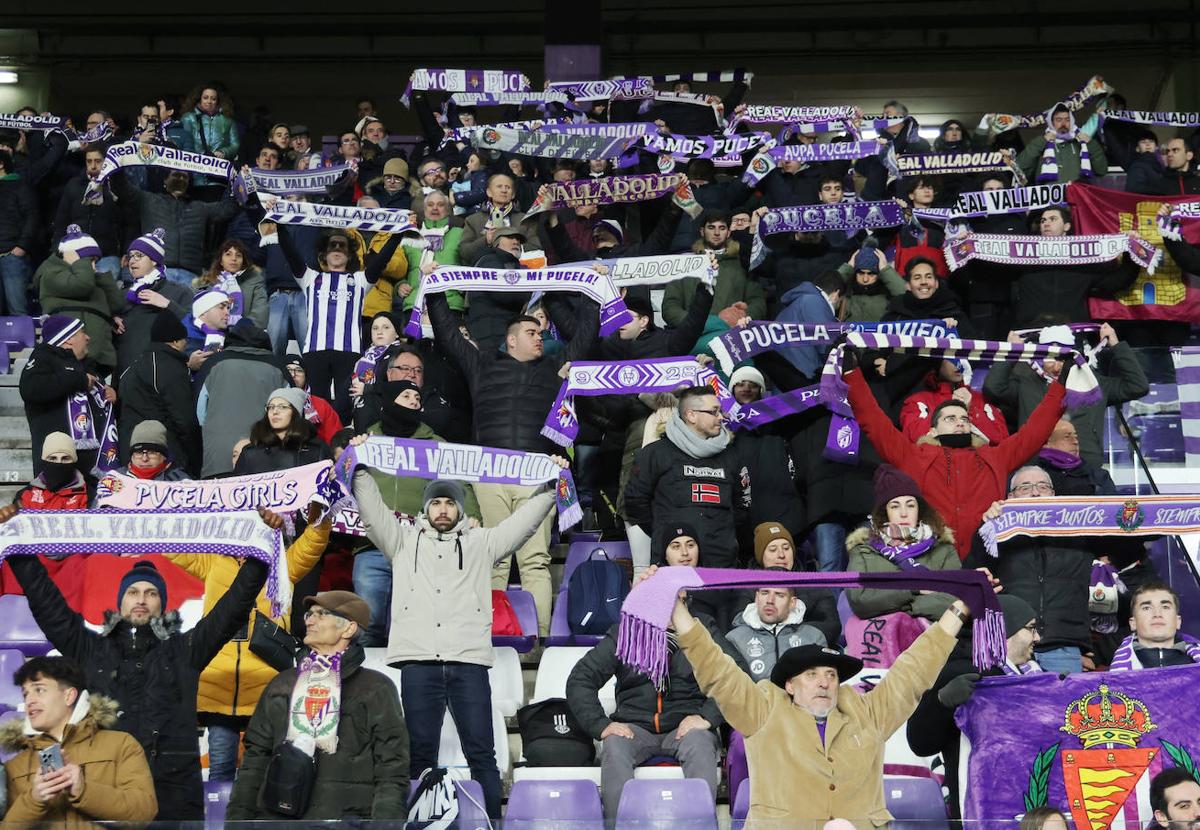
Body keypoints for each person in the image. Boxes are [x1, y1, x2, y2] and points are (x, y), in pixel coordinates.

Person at [0, 505, 273, 820]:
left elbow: (234, 606)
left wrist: (261, 549)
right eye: (132, 591)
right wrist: (18, 547)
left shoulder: (187, 649)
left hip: (175, 797)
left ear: (162, 604)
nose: (141, 598)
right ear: (121, 601)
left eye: (151, 593)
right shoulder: (90, 649)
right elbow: (46, 602)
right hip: (108, 793)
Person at [664, 563, 970, 825]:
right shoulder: (763, 710)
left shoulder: (868, 713)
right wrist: (678, 612)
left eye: (831, 675)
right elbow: (717, 670)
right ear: (790, 686)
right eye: (811, 675)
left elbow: (913, 672)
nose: (824, 683)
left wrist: (958, 610)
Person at [350, 464, 563, 818]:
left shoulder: (482, 542)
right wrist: (359, 470)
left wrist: (550, 487)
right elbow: (372, 512)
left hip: (469, 664)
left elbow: (522, 525)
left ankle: (491, 824)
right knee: (419, 756)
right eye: (436, 503)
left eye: (450, 502)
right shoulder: (401, 539)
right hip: (419, 664)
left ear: (461, 509)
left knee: (482, 755)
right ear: (425, 508)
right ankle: (420, 824)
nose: (443, 509)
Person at [427, 280, 598, 637]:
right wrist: (434, 286)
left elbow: (586, 336)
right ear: (511, 339)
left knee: (535, 562)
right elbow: (446, 334)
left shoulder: (556, 367)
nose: (540, 336)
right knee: (493, 559)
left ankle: (540, 639)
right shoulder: (481, 364)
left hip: (537, 475)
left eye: (541, 331)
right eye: (531, 331)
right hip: (490, 472)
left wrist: (593, 293)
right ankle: (490, 637)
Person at [166, 504, 330, 782]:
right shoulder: (214, 562)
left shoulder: (283, 564)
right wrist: (156, 500)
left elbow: (314, 541)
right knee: (219, 775)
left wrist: (320, 511)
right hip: (218, 684)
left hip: (266, 685)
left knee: (262, 775)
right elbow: (173, 541)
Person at [845, 355, 1068, 559]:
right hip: (931, 560)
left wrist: (1060, 387)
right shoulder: (913, 456)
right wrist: (852, 376)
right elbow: (874, 423)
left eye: (964, 418)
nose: (960, 421)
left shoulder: (995, 456)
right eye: (950, 419)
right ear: (932, 430)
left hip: (986, 561)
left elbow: (1036, 431)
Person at [566, 567, 743, 820]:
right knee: (614, 746)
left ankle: (701, 825)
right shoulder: (625, 633)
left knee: (701, 743)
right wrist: (601, 725)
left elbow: (735, 676)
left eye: (673, 601)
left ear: (684, 600)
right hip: (635, 727)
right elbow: (580, 679)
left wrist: (707, 717)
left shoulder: (702, 629)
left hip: (686, 726)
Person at [227, 591, 410, 821]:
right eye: (309, 614)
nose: (309, 620)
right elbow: (254, 763)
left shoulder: (375, 688)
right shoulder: (282, 684)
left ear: (348, 629)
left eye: (321, 614)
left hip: (344, 824)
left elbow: (392, 769)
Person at [350, 379, 481, 646]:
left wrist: (472, 514)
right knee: (369, 623)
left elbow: (460, 483)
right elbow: (342, 483)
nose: (414, 401)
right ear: (388, 401)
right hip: (371, 547)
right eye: (406, 396)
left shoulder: (435, 444)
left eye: (417, 398)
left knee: (412, 621)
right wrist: (351, 456)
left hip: (420, 547)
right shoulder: (367, 442)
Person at [906, 594, 1043, 819]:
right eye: (1030, 628)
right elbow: (920, 742)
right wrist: (941, 702)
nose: (1037, 637)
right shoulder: (960, 672)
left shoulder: (1036, 676)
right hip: (975, 808)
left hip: (1028, 803)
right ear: (1005, 630)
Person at [1, 656, 158, 825]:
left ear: (69, 696)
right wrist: (34, 800)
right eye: (25, 694)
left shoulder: (121, 745)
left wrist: (83, 791)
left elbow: (144, 812)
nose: (29, 701)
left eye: (39, 690)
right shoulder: (14, 766)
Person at [973, 466, 1092, 674]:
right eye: (1025, 487)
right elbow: (975, 574)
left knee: (1061, 706)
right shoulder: (995, 530)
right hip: (1010, 644)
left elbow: (1129, 545)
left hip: (1062, 648)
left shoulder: (1080, 531)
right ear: (1010, 497)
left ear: (1053, 494)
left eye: (1043, 487)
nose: (1035, 492)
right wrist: (988, 526)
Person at [984, 324, 1148, 469]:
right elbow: (993, 389)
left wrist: (1116, 345)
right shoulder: (1026, 383)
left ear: (1074, 356)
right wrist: (1010, 350)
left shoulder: (1093, 383)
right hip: (1037, 470)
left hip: (1086, 469)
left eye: (1063, 358)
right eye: (1049, 357)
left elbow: (1137, 386)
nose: (1056, 364)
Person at [624, 386, 746, 572]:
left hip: (722, 565)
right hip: (670, 566)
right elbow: (635, 503)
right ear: (691, 415)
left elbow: (742, 505)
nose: (721, 417)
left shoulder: (732, 455)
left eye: (719, 411)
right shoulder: (655, 453)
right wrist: (663, 530)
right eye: (714, 412)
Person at [845, 465, 962, 622]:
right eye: (895, 506)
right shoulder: (864, 550)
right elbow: (860, 601)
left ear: (919, 509)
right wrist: (914, 587)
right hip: (884, 641)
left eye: (910, 505)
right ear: (884, 512)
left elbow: (954, 600)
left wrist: (903, 609)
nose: (904, 513)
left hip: (934, 639)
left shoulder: (943, 548)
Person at [19, 314, 112, 479]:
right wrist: (78, 379)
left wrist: (109, 395)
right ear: (68, 339)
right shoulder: (43, 358)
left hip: (93, 464)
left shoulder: (87, 366)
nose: (88, 338)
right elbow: (31, 389)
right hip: (58, 464)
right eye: (82, 332)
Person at [196, 319, 292, 478]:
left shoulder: (213, 363)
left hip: (218, 459)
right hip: (267, 460)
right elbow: (294, 412)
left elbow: (200, 414)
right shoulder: (278, 367)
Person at [662, 209, 766, 354]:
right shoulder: (685, 265)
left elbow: (758, 302)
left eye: (722, 228)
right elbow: (670, 307)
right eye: (711, 227)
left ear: (729, 232)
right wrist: (702, 323)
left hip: (734, 336)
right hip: (691, 338)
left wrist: (744, 316)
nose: (717, 233)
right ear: (702, 231)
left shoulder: (742, 263)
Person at [33, 225, 127, 376]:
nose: (93, 266)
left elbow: (117, 304)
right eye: (90, 260)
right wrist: (80, 262)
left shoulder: (89, 278)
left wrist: (100, 276)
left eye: (96, 261)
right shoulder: (50, 273)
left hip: (98, 357)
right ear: (72, 256)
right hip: (67, 355)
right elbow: (81, 286)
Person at [118, 311, 201, 475]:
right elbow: (184, 419)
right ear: (176, 341)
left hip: (131, 452)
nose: (186, 345)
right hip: (162, 454)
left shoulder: (134, 365)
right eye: (185, 340)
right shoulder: (170, 367)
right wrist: (195, 459)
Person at [114, 227, 194, 376]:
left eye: (139, 255)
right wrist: (112, 321)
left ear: (154, 261)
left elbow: (195, 327)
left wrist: (168, 304)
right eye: (130, 256)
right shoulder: (123, 294)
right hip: (125, 373)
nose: (132, 260)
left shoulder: (179, 291)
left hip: (162, 374)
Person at [727, 574, 827, 683]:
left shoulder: (814, 637)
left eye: (779, 595)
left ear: (792, 603)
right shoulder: (734, 639)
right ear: (756, 598)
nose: (770, 600)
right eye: (765, 593)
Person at [900, 360, 1009, 446]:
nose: (959, 363)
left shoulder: (982, 399)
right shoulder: (918, 400)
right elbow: (913, 437)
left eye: (963, 356)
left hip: (977, 467)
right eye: (952, 357)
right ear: (938, 362)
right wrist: (949, 409)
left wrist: (971, 411)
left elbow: (1002, 440)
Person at [233, 386, 334, 475]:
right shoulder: (251, 453)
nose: (275, 412)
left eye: (282, 407)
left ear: (295, 413)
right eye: (271, 407)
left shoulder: (316, 450)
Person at [1110, 583, 1200, 670]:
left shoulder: (1195, 663)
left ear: (1178, 622)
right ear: (1133, 623)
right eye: (1146, 608)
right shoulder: (1111, 679)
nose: (1157, 614)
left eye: (1165, 607)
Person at [773, 270, 843, 379]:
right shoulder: (815, 302)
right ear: (836, 294)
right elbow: (827, 349)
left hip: (782, 378)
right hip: (804, 380)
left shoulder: (794, 305)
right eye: (840, 302)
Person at [1015, 103, 1108, 183]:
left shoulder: (1081, 143)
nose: (1063, 123)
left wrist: (1091, 144)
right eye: (1059, 120)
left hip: (1077, 200)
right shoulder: (1041, 143)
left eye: (1067, 120)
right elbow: (1020, 167)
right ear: (1051, 122)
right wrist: (1042, 141)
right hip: (1051, 202)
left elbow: (1101, 170)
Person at [192, 238, 269, 330]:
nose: (234, 259)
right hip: (206, 335)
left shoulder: (255, 283)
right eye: (228, 254)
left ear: (243, 261)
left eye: (238, 255)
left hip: (242, 337)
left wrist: (241, 328)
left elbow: (260, 314)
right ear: (220, 261)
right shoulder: (204, 284)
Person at [285, 356, 344, 445]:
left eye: (298, 370)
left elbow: (336, 440)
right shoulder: (272, 402)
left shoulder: (321, 405)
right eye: (288, 370)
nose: (293, 375)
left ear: (306, 377)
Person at [116, 420, 190, 481]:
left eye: (152, 453)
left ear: (164, 456)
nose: (144, 459)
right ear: (132, 456)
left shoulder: (180, 481)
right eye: (139, 453)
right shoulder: (115, 479)